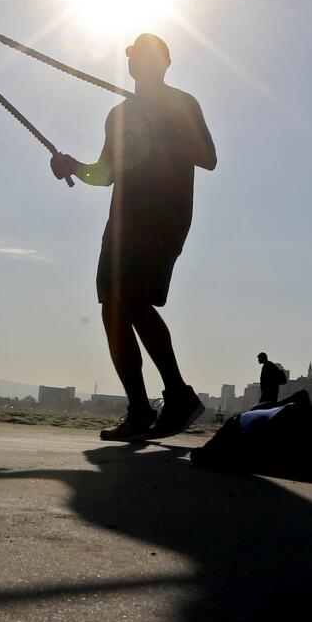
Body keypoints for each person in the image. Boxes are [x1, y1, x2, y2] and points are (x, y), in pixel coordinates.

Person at [50, 33, 217, 440]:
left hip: (163, 219)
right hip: (122, 223)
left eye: (144, 56)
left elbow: (208, 158)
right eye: (132, 56)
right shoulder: (117, 115)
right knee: (112, 306)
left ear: (164, 63)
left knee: (134, 297)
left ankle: (178, 396)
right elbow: (106, 174)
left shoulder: (183, 104)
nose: (136, 62)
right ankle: (140, 411)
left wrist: (168, 120)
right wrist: (73, 166)